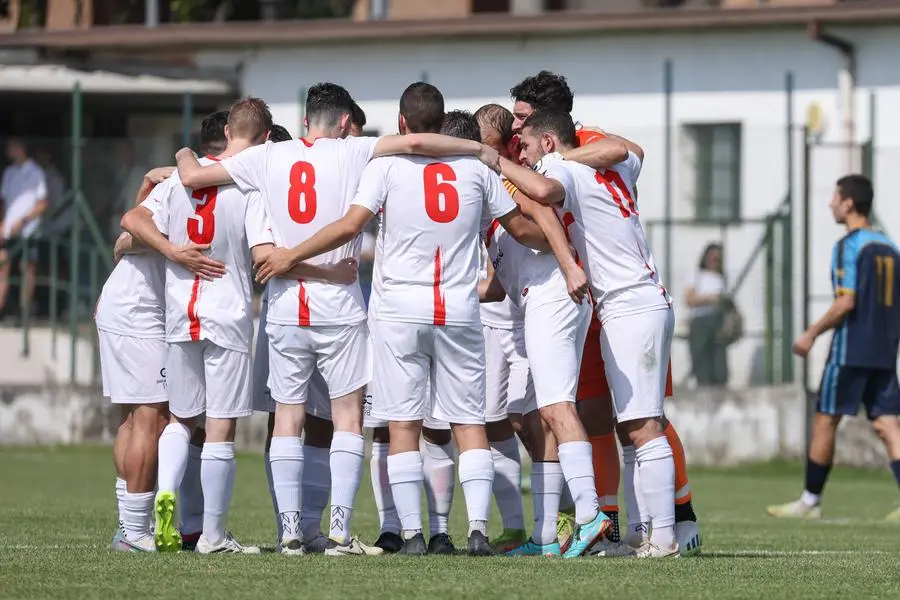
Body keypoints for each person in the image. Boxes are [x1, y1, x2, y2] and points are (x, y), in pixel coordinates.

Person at [174, 82, 502, 556]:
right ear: (346, 123)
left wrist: (184, 151)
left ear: (306, 120)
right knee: (349, 418)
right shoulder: (355, 151)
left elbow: (193, 177)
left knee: (287, 417)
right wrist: (477, 148)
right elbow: (413, 142)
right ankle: (340, 534)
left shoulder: (269, 157)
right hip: (341, 306)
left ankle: (289, 532)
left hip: (285, 309)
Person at [253, 83, 552, 556]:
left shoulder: (385, 166)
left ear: (401, 123)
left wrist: (292, 255)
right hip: (457, 310)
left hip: (397, 311)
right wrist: (563, 246)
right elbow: (522, 229)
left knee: (402, 426)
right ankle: (475, 531)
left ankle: (411, 533)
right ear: (442, 125)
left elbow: (350, 226)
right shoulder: (475, 169)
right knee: (468, 423)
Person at [509, 71, 701, 557]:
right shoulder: (602, 167)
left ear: (549, 138)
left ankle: (666, 536)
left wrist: (497, 164)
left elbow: (557, 186)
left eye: (526, 139)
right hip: (628, 304)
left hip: (630, 303)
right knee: (630, 426)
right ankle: (641, 533)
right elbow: (629, 154)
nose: (521, 149)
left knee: (644, 425)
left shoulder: (566, 167)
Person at [122, 97, 278, 554]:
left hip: (180, 312)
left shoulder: (178, 182)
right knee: (220, 427)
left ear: (227, 131)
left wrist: (172, 250)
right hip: (226, 315)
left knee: (181, 419)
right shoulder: (251, 187)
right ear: (266, 138)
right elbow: (262, 252)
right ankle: (212, 535)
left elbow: (134, 219)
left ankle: (165, 493)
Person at [768, 174, 900, 522]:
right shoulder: (890, 246)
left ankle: (810, 501)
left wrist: (810, 334)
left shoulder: (849, 245)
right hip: (885, 352)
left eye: (834, 196)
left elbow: (847, 302)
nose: (830, 203)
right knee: (888, 425)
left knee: (826, 419)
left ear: (849, 203)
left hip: (850, 350)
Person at [97, 165, 185, 552]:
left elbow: (135, 224)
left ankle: (127, 525)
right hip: (136, 313)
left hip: (125, 308)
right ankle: (134, 532)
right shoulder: (188, 187)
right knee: (152, 417)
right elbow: (134, 224)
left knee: (134, 418)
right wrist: (137, 241)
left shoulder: (178, 181)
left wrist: (130, 241)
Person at [0, 137, 47, 318]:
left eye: (11, 147)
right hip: (9, 231)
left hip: (28, 232)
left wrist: (24, 220)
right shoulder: (9, 172)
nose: (8, 151)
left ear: (21, 148)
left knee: (26, 269)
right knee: (3, 266)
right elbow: (3, 201)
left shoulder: (36, 172)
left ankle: (24, 313)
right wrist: (2, 222)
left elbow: (42, 203)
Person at [685, 243, 729, 386]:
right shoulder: (696, 275)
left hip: (717, 321)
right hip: (700, 320)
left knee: (719, 365)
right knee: (701, 362)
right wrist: (710, 298)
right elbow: (690, 299)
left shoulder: (721, 278)